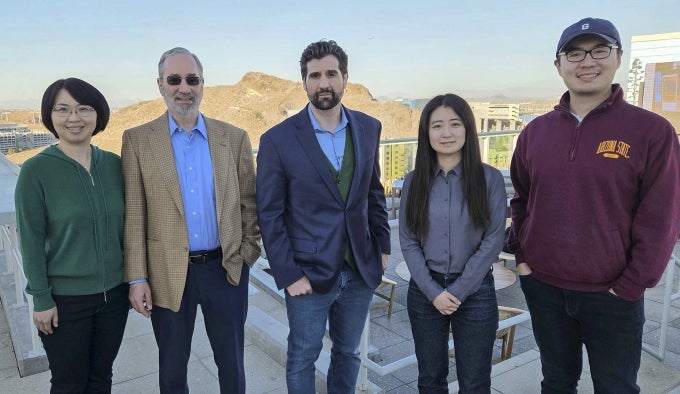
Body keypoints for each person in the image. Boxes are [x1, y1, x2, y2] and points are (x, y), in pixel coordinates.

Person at [508, 17, 680, 393]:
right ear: (558, 65)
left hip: (613, 294)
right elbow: (522, 199)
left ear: (618, 57)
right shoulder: (534, 133)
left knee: (616, 386)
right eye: (574, 53)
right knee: (556, 382)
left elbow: (662, 218)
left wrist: (631, 285)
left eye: (599, 50)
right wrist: (522, 259)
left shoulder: (652, 132)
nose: (586, 62)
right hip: (544, 287)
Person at [121, 47, 260, 393]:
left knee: (232, 365)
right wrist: (137, 277)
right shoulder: (137, 141)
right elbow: (135, 216)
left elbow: (250, 204)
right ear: (160, 85)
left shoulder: (234, 138)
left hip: (224, 269)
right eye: (174, 79)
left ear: (202, 84)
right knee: (172, 368)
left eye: (192, 79)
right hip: (166, 273)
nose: (184, 87)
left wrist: (246, 255)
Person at [256, 39, 391, 393]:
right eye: (314, 75)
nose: (323, 83)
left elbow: (373, 192)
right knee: (303, 356)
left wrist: (384, 248)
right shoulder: (278, 140)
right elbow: (270, 214)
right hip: (306, 274)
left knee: (348, 353)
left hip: (360, 268)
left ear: (345, 77)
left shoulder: (368, 127)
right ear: (304, 82)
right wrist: (287, 274)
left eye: (331, 73)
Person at [15, 78, 129, 392]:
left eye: (84, 108)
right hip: (65, 302)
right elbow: (31, 239)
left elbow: (130, 228)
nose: (74, 118)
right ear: (50, 117)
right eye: (63, 109)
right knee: (68, 383)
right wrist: (41, 298)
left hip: (114, 297)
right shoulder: (35, 171)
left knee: (101, 378)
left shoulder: (115, 166)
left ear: (98, 115)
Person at [399, 94, 506, 393]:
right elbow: (408, 240)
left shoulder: (489, 179)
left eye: (455, 124)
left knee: (474, 383)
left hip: (476, 293)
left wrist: (456, 291)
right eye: (437, 126)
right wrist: (434, 293)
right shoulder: (413, 181)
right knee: (430, 380)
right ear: (426, 132)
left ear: (468, 129)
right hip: (424, 292)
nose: (446, 133)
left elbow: (493, 239)